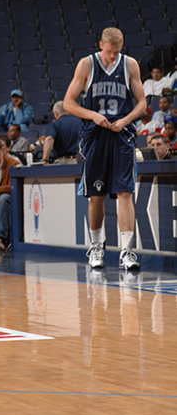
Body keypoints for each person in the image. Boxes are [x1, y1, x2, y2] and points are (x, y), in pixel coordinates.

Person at [63, 27, 146, 271]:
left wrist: (124, 120)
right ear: (101, 44)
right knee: (96, 194)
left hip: (121, 134)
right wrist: (92, 115)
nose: (112, 57)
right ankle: (97, 248)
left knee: (125, 193)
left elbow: (142, 103)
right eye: (109, 52)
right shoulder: (86, 64)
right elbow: (68, 102)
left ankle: (127, 252)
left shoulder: (129, 64)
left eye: (116, 52)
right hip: (95, 135)